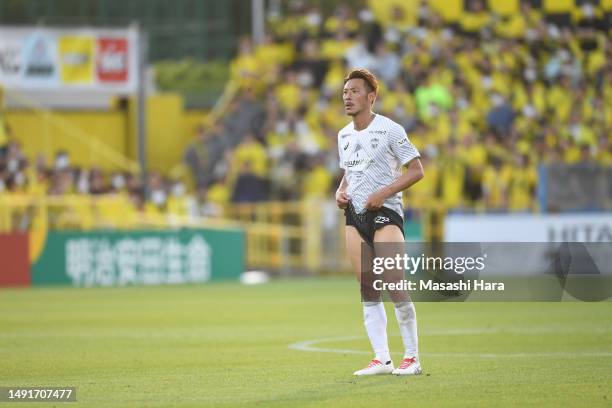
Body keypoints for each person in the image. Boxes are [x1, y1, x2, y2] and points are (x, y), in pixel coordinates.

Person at [335, 68, 424, 376]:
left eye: (354, 91)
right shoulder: (343, 135)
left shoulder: (390, 129)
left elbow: (416, 170)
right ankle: (382, 359)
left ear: (371, 97)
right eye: (345, 92)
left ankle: (412, 358)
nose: (348, 97)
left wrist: (383, 192)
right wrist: (341, 189)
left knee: (394, 284)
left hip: (385, 212)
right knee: (368, 287)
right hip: (355, 216)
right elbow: (350, 170)